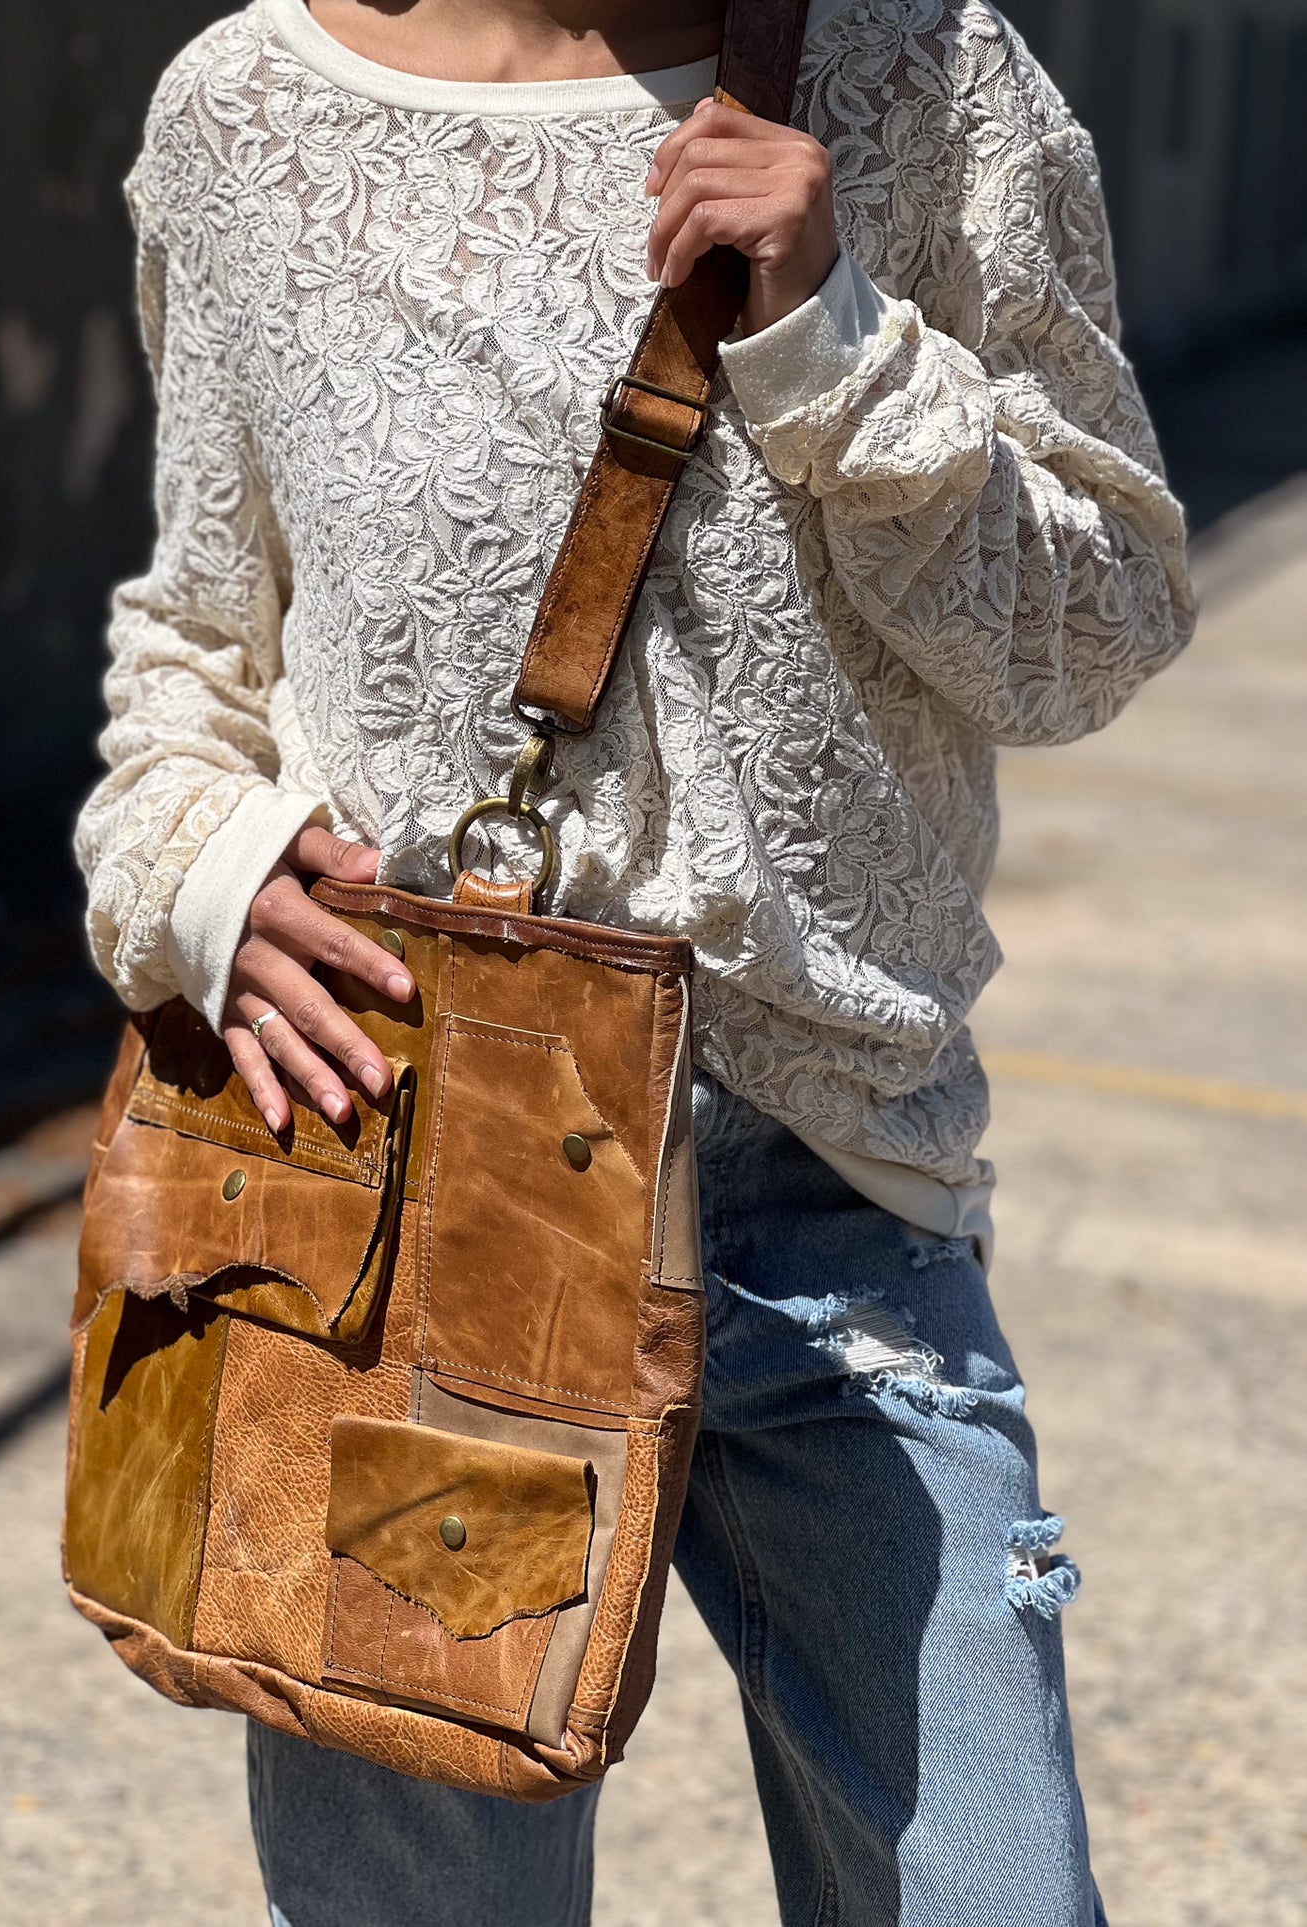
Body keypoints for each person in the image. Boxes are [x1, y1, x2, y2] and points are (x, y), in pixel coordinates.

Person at [76, 0, 1195, 1919]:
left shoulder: (930, 82)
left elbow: (1092, 630)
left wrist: (829, 336)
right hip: (423, 1196)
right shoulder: (249, 116)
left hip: (835, 1199)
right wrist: (200, 875)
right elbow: (195, 654)